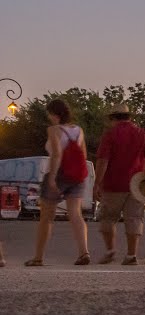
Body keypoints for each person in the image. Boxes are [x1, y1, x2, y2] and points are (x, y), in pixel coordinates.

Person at [25, 99, 91, 266]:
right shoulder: (78, 130)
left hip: (59, 174)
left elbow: (56, 155)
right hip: (77, 176)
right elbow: (83, 156)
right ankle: (84, 252)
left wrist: (53, 177)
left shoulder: (53, 130)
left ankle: (38, 258)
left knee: (47, 217)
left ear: (54, 114)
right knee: (76, 214)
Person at [94, 102, 145, 265]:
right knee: (135, 218)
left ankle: (110, 250)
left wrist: (97, 184)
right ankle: (131, 255)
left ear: (113, 118)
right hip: (137, 185)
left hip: (113, 185)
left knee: (107, 218)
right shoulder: (142, 134)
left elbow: (103, 161)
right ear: (129, 117)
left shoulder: (110, 134)